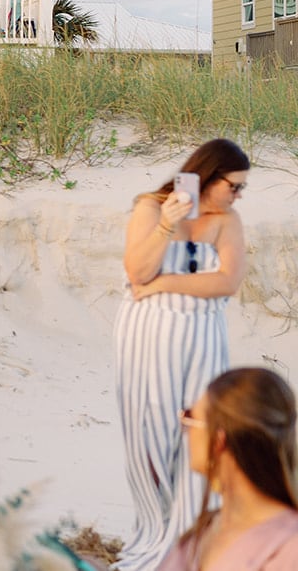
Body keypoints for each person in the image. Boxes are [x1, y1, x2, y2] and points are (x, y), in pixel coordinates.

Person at [115, 138, 251, 570]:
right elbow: (137, 271)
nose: (238, 195)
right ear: (208, 177)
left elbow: (227, 282)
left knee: (201, 429)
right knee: (149, 430)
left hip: (203, 339)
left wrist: (163, 285)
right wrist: (166, 227)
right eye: (234, 186)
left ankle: (191, 530)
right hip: (147, 339)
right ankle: (155, 530)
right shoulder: (152, 207)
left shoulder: (229, 222)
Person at [160, 367, 298, 570]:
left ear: (219, 439)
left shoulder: (288, 547)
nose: (185, 432)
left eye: (189, 417)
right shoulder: (207, 529)